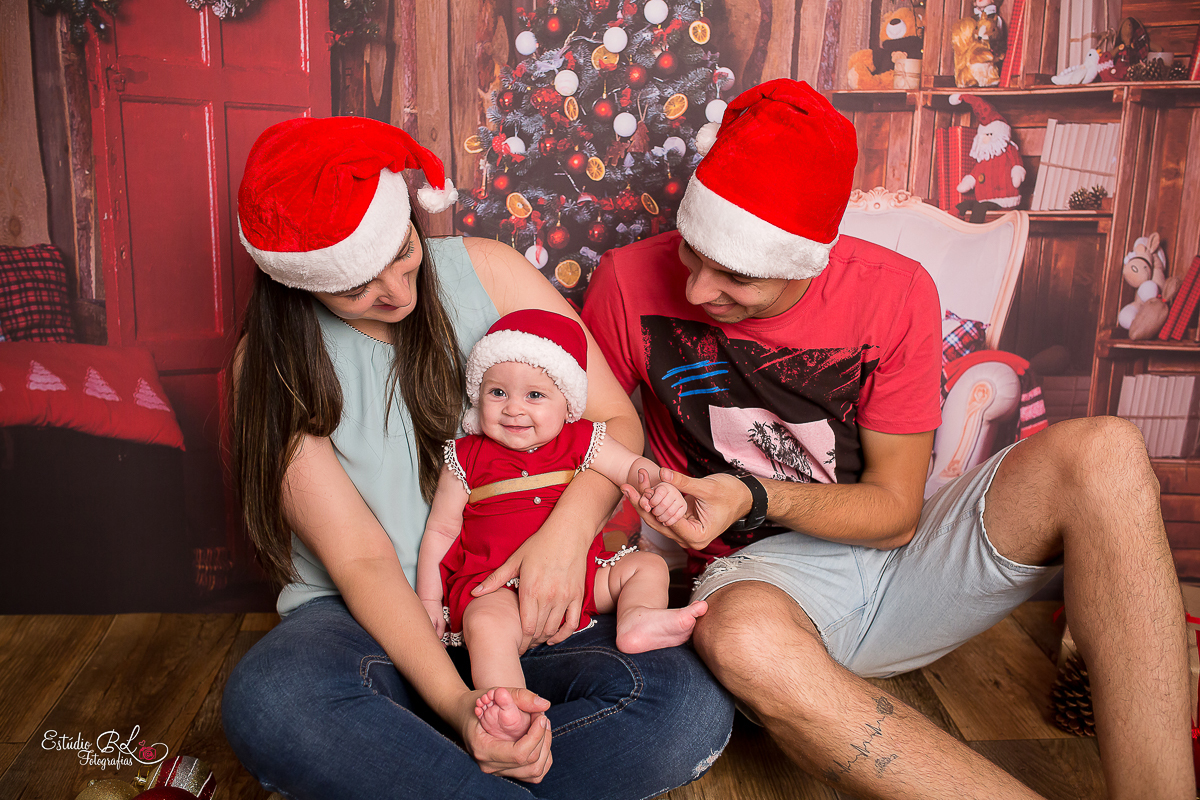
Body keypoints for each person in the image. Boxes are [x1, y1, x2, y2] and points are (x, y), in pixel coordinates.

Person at [582, 78, 1192, 800]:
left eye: (736, 277)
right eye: (692, 253)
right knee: (741, 637)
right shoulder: (626, 281)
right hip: (761, 585)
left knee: (1108, 450)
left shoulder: (896, 292)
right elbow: (587, 435)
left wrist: (749, 494)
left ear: (805, 260)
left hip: (898, 562)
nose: (696, 292)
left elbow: (896, 514)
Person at [219, 116, 733, 800]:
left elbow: (613, 422)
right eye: (355, 289)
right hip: (373, 618)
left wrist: (565, 535)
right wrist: (462, 709)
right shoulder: (268, 365)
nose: (397, 293)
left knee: (684, 707)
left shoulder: (487, 270)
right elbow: (363, 559)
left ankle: (418, 770)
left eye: (401, 253)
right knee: (273, 699)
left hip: (529, 605)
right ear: (300, 281)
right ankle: (473, 757)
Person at [416, 308, 708, 742]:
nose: (513, 408)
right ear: (479, 395)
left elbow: (633, 468)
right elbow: (441, 531)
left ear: (566, 403)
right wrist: (427, 597)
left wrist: (663, 490)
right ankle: (508, 709)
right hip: (496, 588)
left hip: (581, 580)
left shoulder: (583, 438)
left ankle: (637, 620)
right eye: (497, 392)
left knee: (649, 568)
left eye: (534, 396)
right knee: (485, 625)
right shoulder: (466, 455)